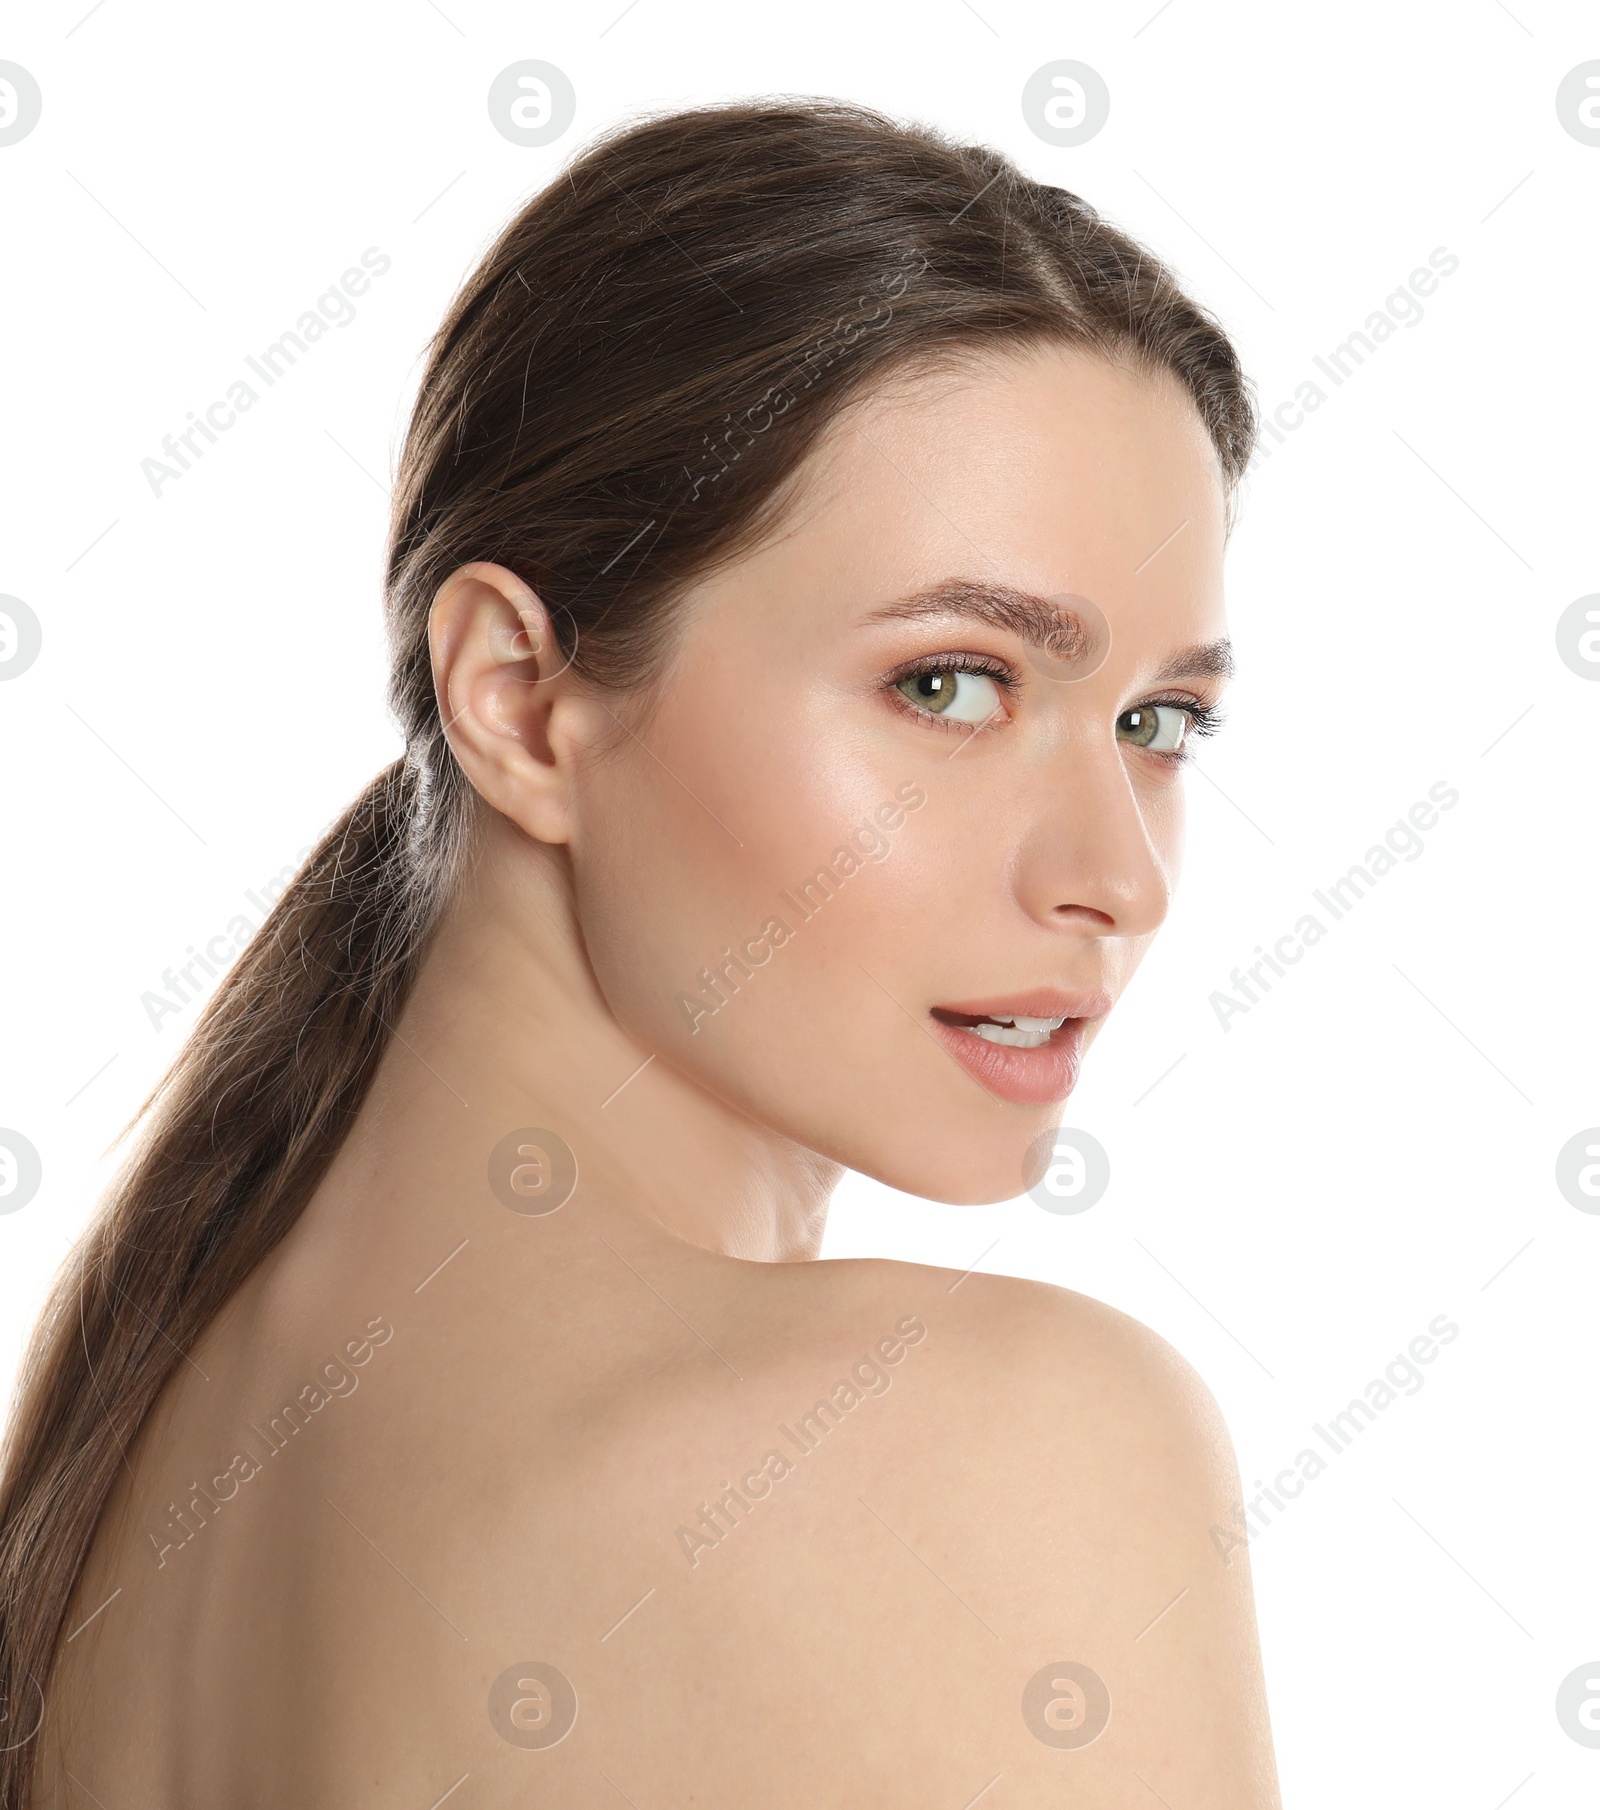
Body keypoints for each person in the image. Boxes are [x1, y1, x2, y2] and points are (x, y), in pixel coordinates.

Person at [1, 99, 1279, 1807]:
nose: (1119, 872)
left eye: (1156, 717)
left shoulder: (125, 1487)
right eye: (950, 682)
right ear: (520, 700)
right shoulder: (1005, 1440)